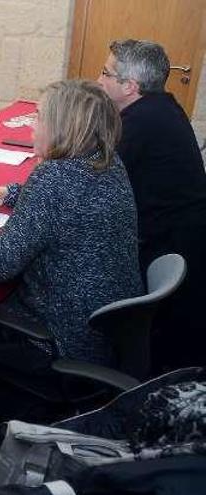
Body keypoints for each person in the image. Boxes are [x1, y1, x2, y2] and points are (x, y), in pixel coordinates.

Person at [0, 80, 142, 382]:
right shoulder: (107, 160)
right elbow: (71, 201)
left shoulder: (54, 177)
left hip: (64, 336)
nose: (31, 127)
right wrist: (10, 193)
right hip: (108, 328)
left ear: (61, 126)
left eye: (38, 117)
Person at [97, 39, 206, 370]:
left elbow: (88, 181)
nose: (99, 80)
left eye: (106, 72)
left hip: (167, 252)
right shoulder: (160, 107)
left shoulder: (140, 123)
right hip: (179, 245)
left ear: (130, 86)